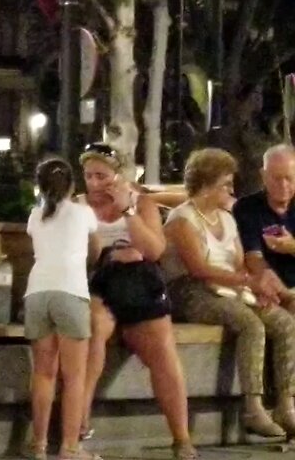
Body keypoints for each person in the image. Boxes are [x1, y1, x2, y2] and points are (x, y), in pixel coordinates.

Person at [163, 148, 295, 436]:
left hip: (229, 287)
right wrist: (247, 282)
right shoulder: (182, 219)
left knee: (284, 323)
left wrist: (258, 285)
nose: (231, 189)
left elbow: (238, 262)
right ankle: (253, 408)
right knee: (250, 324)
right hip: (191, 290)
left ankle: (286, 404)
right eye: (225, 183)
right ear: (207, 185)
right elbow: (198, 269)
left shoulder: (226, 217)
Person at [76, 143, 195, 459]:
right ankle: (77, 426)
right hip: (97, 284)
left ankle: (182, 439)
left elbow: (154, 250)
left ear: (118, 176)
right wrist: (108, 253)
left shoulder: (142, 205)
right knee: (92, 328)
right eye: (89, 176)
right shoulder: (78, 206)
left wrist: (127, 210)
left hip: (138, 283)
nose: (95, 183)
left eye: (102, 176)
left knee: (162, 347)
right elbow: (77, 257)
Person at [24, 158, 101, 460]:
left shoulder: (34, 216)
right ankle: (70, 447)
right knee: (74, 376)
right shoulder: (83, 213)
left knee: (43, 373)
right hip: (71, 292)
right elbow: (95, 250)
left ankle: (39, 445)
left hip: (37, 293)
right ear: (72, 184)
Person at [236, 144, 295, 308]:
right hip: (272, 289)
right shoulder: (247, 208)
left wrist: (292, 247)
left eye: (289, 178)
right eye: (276, 178)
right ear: (263, 175)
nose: (283, 185)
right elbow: (253, 258)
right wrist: (283, 293)